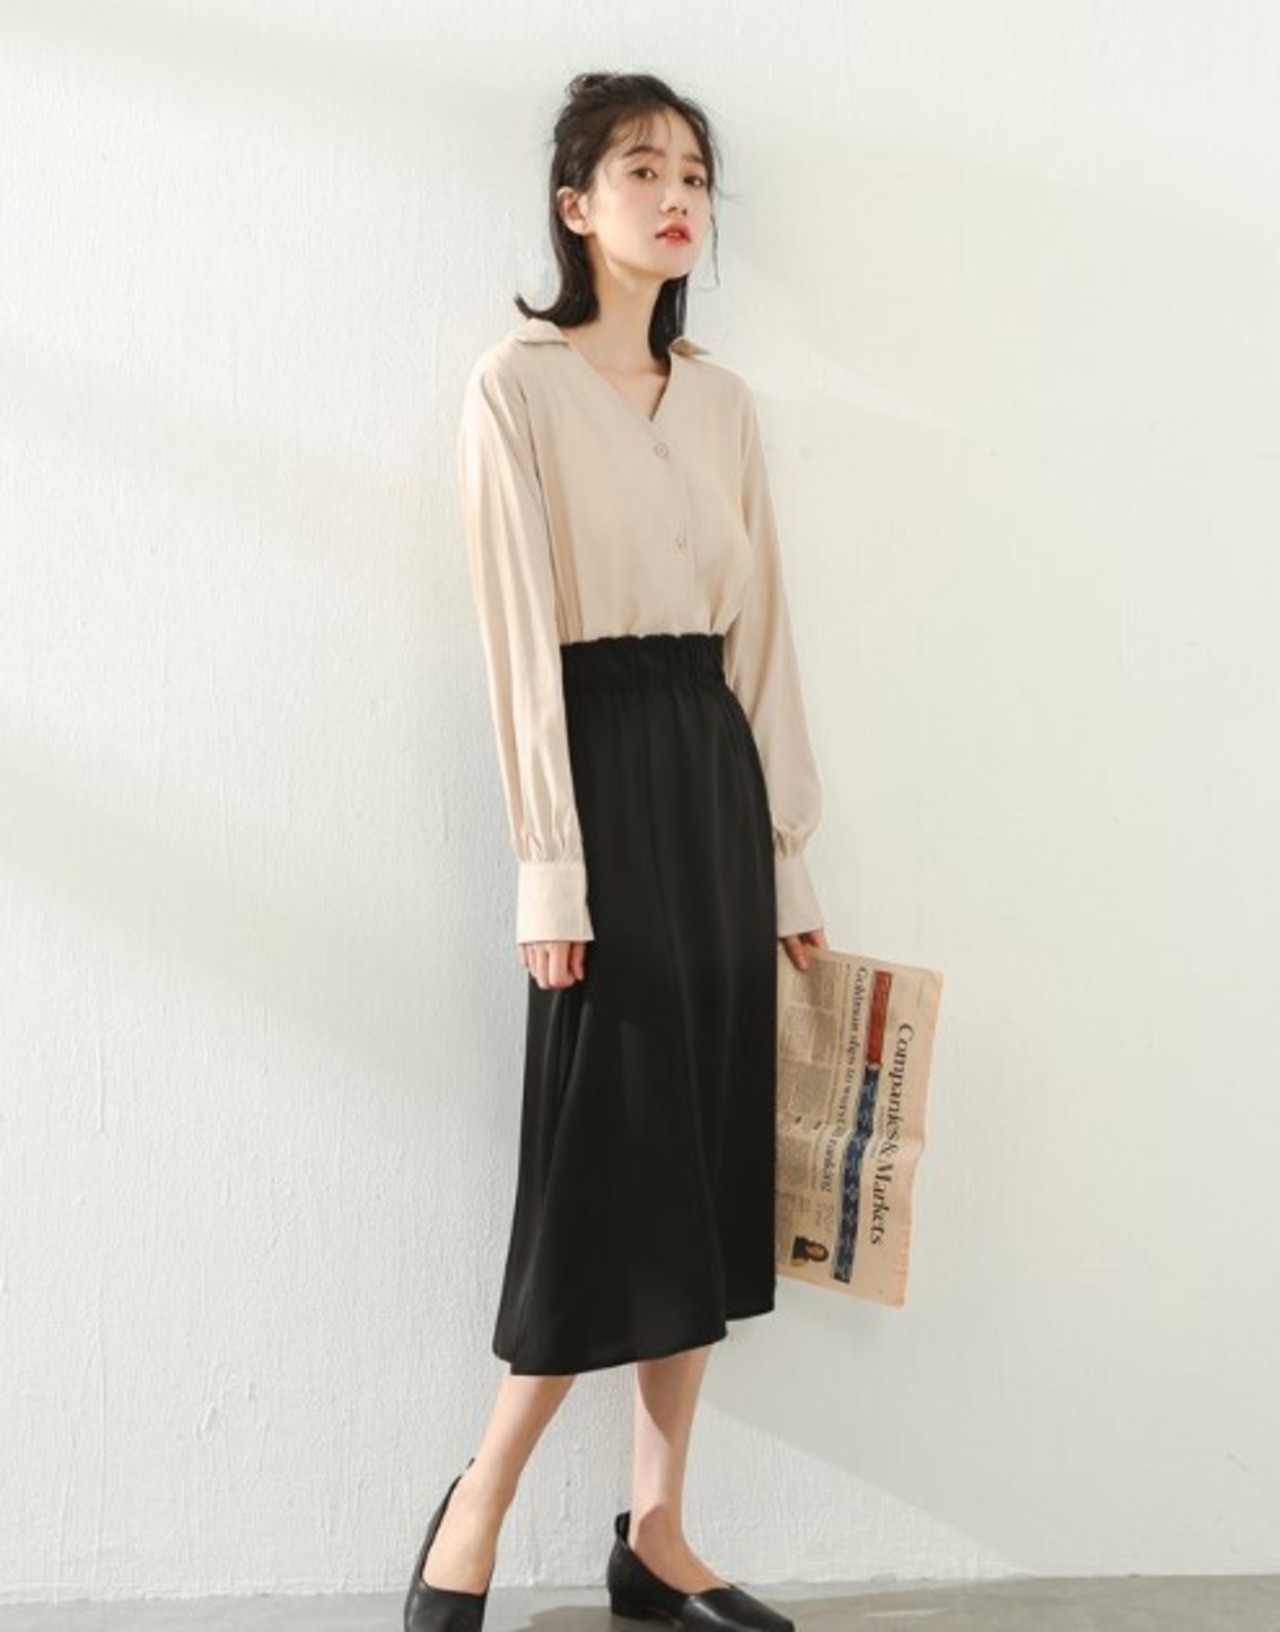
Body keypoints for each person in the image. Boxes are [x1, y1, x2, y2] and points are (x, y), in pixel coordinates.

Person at [404, 71, 828, 1632]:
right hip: (592, 773)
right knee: (599, 1165)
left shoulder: (723, 405)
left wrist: (787, 860)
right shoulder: (515, 387)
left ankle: (658, 1532)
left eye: (694, 173)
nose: (677, 194)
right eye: (641, 168)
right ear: (576, 207)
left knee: (702, 1160)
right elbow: (519, 643)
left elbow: (763, 641)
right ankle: (481, 1499)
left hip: (711, 780)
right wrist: (551, 870)